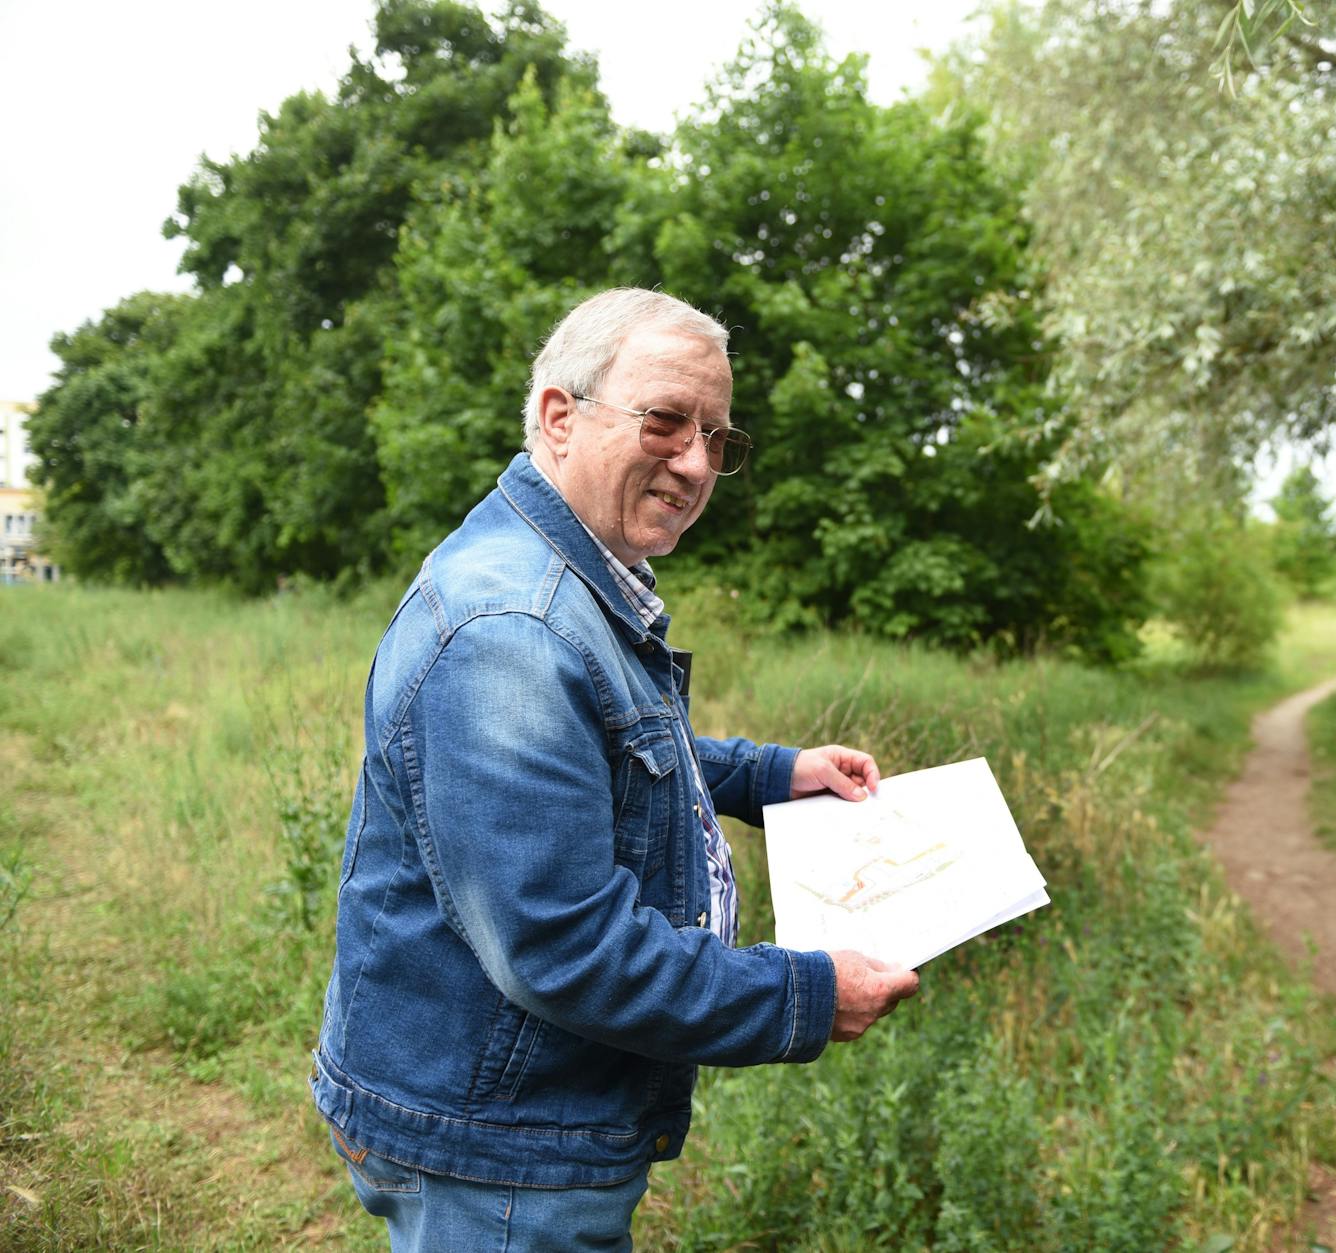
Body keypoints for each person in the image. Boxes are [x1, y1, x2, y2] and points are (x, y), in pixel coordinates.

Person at [309, 288, 920, 1250]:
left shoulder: (570, 574)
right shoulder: (509, 628)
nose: (695, 462)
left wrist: (768, 774)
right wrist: (803, 995)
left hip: (510, 1117)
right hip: (497, 1149)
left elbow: (600, 757)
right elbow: (563, 946)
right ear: (561, 416)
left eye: (717, 436)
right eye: (666, 420)